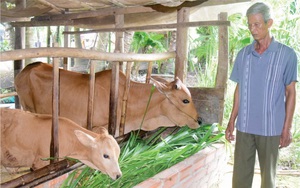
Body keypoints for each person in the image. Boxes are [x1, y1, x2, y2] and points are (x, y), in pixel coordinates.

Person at [225, 2, 298, 188]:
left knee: (268, 180)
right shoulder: (243, 55)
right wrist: (232, 120)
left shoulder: (287, 55)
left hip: (271, 128)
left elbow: (291, 92)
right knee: (240, 180)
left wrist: (287, 128)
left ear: (269, 23)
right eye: (250, 25)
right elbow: (239, 89)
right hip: (245, 127)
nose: (253, 29)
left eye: (257, 24)